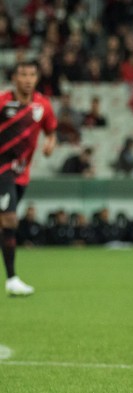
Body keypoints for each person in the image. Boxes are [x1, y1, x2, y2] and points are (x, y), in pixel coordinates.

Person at [0, 61, 57, 296]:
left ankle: (12, 278)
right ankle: (12, 279)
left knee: (5, 223)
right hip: (2, 169)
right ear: (14, 77)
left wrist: (49, 145)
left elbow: (51, 131)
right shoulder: (3, 102)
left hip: (22, 174)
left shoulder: (42, 105)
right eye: (22, 74)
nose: (27, 79)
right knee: (9, 220)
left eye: (32, 74)